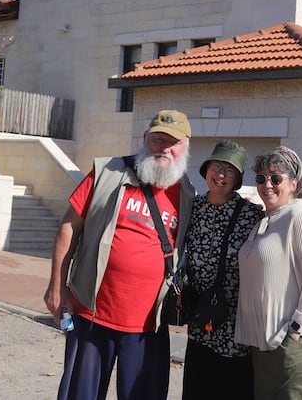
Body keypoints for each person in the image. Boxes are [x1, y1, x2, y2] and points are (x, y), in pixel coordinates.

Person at [43, 109, 196, 400]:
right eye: (158, 139)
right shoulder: (107, 173)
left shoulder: (187, 194)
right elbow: (68, 227)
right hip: (92, 313)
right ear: (145, 139)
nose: (164, 147)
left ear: (185, 147)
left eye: (173, 142)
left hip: (148, 325)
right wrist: (56, 288)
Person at [235, 146, 302, 400]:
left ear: (293, 183)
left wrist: (294, 333)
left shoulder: (300, 219)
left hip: (291, 345)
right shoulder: (267, 220)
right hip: (265, 343)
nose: (268, 184)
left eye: (276, 178)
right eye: (261, 178)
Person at [182, 140, 264, 400]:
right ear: (206, 170)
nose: (221, 175)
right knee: (197, 388)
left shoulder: (251, 215)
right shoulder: (191, 208)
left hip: (234, 324)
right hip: (199, 318)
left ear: (238, 178)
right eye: (217, 166)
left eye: (229, 170)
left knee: (231, 389)